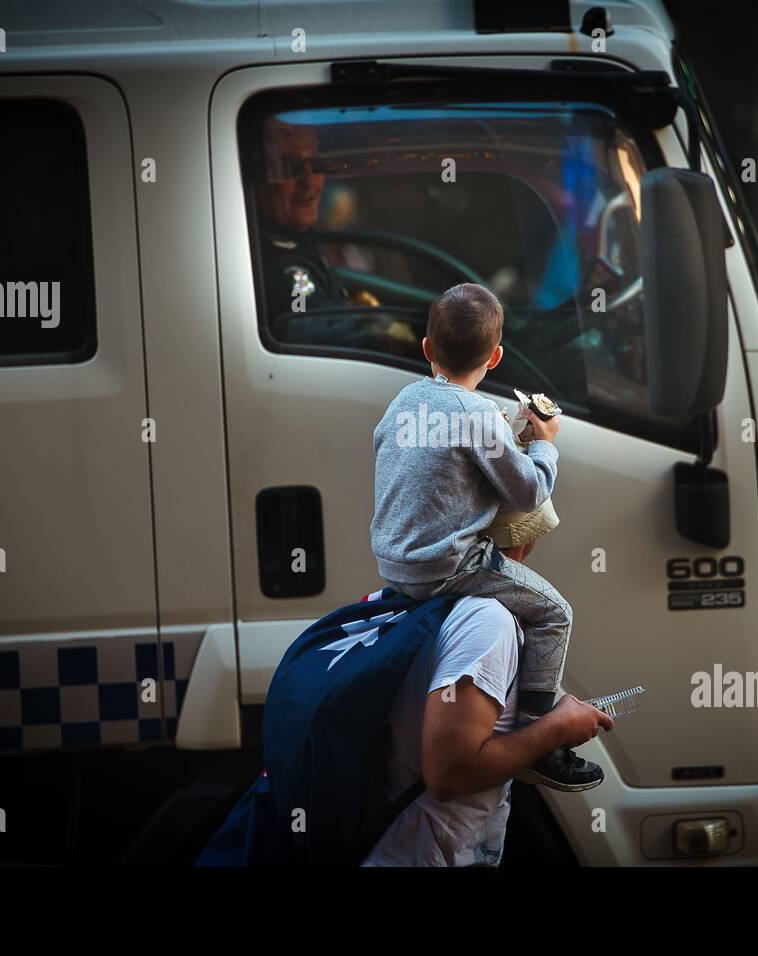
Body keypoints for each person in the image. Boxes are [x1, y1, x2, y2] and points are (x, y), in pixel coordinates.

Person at [370, 282, 601, 791]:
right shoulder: (477, 416)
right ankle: (542, 735)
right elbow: (528, 492)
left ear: (427, 348)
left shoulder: (406, 397)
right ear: (495, 357)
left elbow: (412, 454)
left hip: (395, 567)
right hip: (449, 569)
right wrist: (544, 444)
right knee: (556, 611)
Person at [362, 595, 614, 867]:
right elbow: (450, 775)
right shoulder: (489, 620)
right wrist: (556, 729)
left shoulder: (398, 600)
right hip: (418, 854)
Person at [254, 118, 377, 320]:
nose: (310, 181)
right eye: (292, 168)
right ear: (260, 180)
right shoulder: (278, 264)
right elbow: (313, 331)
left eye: (316, 164)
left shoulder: (300, 238)